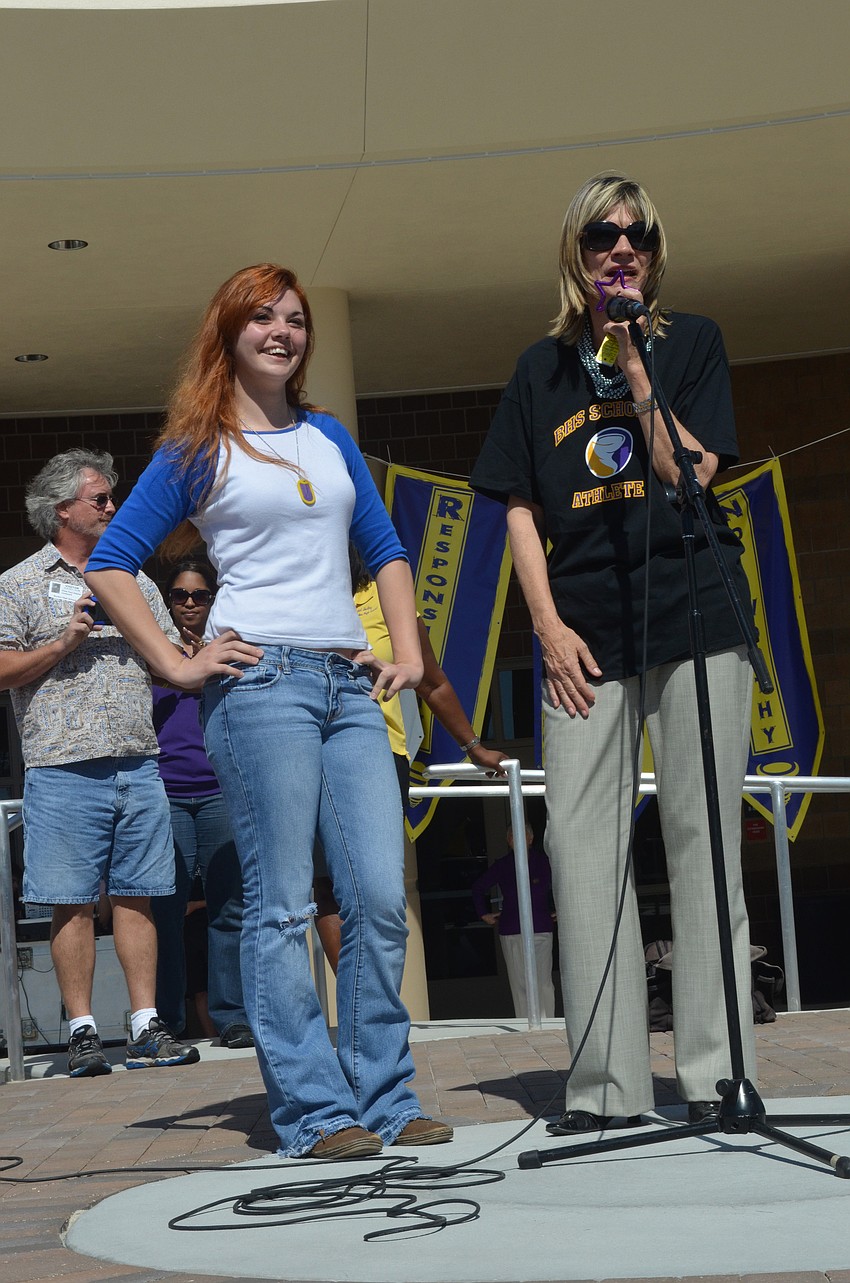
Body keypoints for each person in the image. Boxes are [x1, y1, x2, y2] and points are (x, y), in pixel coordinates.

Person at [85, 263, 452, 1158]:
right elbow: (111, 562)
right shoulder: (198, 447)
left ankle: (385, 1097)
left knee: (377, 894)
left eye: (295, 318)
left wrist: (407, 653)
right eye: (263, 317)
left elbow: (386, 548)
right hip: (259, 687)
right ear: (228, 333)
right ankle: (316, 1112)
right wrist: (177, 663)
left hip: (349, 683)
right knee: (283, 905)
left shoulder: (327, 435)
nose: (283, 331)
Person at [471, 174, 756, 1132]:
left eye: (639, 236)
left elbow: (688, 472)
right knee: (581, 849)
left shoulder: (692, 343)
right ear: (577, 252)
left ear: (654, 254)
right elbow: (517, 507)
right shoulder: (537, 370)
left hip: (695, 615)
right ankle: (607, 1087)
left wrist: (635, 366)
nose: (622, 248)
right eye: (603, 234)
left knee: (702, 838)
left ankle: (718, 1076)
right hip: (580, 632)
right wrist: (545, 627)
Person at [0, 449, 200, 1077]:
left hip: (138, 760)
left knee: (139, 895)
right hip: (61, 764)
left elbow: (171, 662)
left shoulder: (135, 580)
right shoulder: (18, 583)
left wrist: (195, 652)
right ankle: (83, 1033)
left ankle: (146, 1026)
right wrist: (64, 641)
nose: (114, 506)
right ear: (62, 509)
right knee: (71, 901)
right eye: (101, 498)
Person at [313, 544, 507, 971]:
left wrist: (473, 747)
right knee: (326, 883)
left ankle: (375, 992)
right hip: (311, 752)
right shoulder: (293, 594)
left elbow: (432, 683)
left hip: (380, 753)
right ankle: (356, 998)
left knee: (377, 885)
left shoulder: (385, 594)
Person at [151, 558, 253, 1049]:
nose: (189, 603)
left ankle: (232, 1016)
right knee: (164, 913)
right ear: (167, 601)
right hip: (165, 794)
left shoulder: (234, 647)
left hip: (220, 791)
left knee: (229, 907)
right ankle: (166, 1022)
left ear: (213, 598)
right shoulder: (150, 650)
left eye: (199, 595)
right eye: (179, 595)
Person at [471, 824, 556, 1019]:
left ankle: (549, 1023)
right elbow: (478, 888)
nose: (516, 839)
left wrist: (562, 909)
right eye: (512, 836)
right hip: (512, 930)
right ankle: (525, 1023)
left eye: (522, 835)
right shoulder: (502, 865)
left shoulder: (543, 862)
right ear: (508, 841)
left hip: (540, 927)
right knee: (520, 984)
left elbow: (564, 883)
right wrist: (483, 913)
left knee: (543, 981)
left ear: (531, 839)